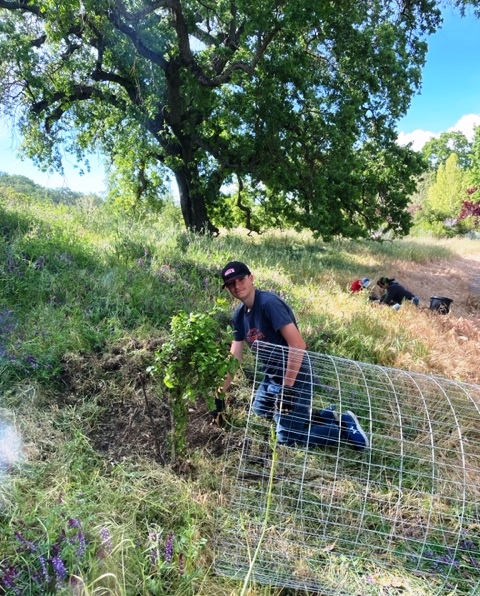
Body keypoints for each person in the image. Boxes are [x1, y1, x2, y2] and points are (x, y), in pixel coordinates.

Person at [216, 260, 369, 450]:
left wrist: (287, 390)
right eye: (231, 283)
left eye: (240, 279)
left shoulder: (269, 304)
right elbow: (234, 358)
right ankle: (325, 416)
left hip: (296, 378)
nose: (237, 286)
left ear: (251, 278)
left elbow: (298, 345)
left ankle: (343, 429)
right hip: (273, 379)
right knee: (260, 413)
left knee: (286, 439)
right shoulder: (239, 316)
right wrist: (219, 393)